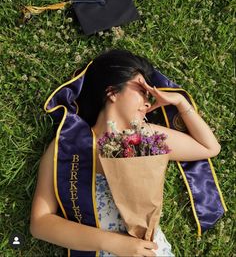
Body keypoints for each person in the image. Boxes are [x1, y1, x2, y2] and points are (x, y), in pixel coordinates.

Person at [30, 49, 221, 257]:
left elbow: (209, 147)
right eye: (142, 90)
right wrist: (113, 243)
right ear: (112, 92)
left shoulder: (148, 138)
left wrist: (180, 103)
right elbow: (40, 223)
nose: (148, 103)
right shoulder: (67, 146)